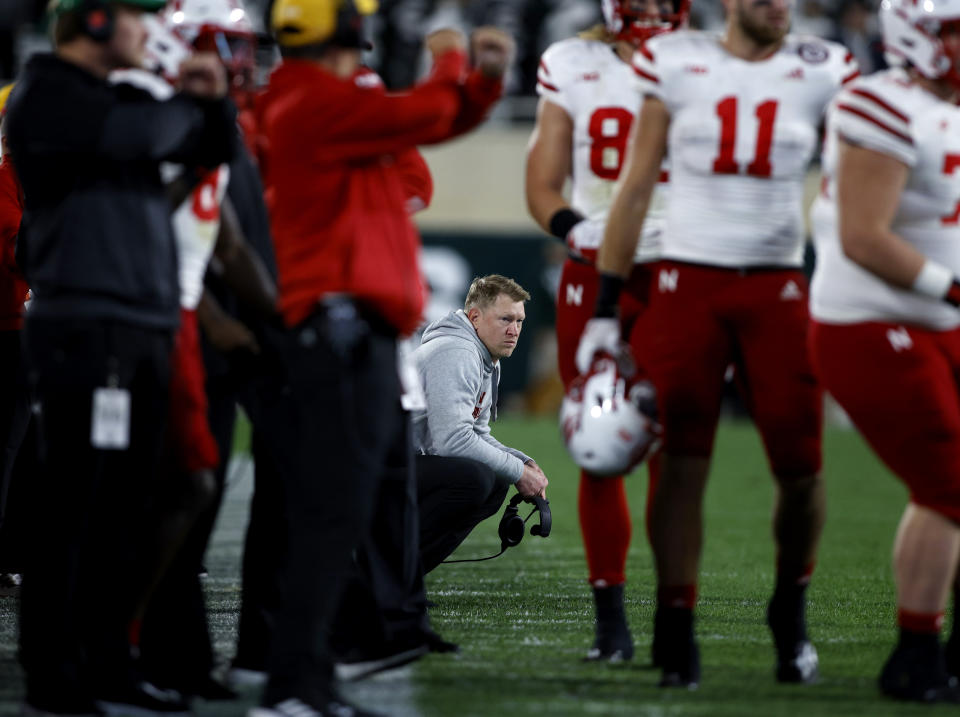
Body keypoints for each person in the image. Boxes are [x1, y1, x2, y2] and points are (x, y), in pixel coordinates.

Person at [576, 0, 859, 688]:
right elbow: (636, 183)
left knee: (801, 466)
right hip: (685, 281)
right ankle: (677, 627)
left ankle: (789, 608)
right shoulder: (674, 60)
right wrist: (606, 308)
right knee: (682, 460)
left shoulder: (827, 68)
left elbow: (853, 186)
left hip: (779, 286)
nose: (779, 7)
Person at [251, 0, 513, 712]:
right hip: (332, 328)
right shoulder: (309, 103)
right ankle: (294, 682)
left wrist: (481, 86)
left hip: (350, 329)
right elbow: (428, 112)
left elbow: (442, 123)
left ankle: (309, 677)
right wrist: (450, 56)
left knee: (343, 507)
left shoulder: (313, 103)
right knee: (330, 513)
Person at [4, 0, 237, 711]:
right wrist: (190, 101)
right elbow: (149, 134)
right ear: (96, 22)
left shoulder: (118, 99)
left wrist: (210, 102)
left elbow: (211, 143)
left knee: (123, 509)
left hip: (136, 321)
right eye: (135, 18)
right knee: (75, 506)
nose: (150, 34)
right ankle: (58, 674)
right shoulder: (48, 93)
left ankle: (109, 663)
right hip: (86, 323)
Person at [524, 0, 687, 663]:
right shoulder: (572, 60)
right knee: (600, 441)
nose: (649, 7)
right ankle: (610, 619)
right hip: (595, 271)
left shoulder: (709, 61)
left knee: (680, 450)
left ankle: (676, 616)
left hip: (680, 266)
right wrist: (576, 228)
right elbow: (542, 184)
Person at [808, 0, 960, 702]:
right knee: (947, 482)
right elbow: (863, 236)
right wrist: (952, 291)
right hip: (870, 322)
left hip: (942, 320)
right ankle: (915, 653)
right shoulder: (879, 103)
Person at [410, 274, 548, 572]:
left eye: (520, 321)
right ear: (474, 317)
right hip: (372, 468)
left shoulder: (480, 355)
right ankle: (384, 575)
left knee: (495, 478)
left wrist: (521, 463)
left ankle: (401, 580)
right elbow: (453, 440)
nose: (514, 331)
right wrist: (518, 473)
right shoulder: (457, 352)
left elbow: (476, 433)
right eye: (505, 319)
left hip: (396, 462)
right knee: (475, 479)